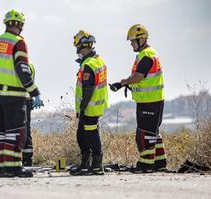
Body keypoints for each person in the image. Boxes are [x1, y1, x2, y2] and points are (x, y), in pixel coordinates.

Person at [0, 9, 41, 178]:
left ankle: (0, 168)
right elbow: (22, 69)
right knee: (15, 132)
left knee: (1, 133)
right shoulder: (18, 42)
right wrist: (34, 91)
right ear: (21, 26)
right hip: (13, 95)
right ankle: (14, 168)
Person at [110, 24, 166, 173]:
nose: (131, 44)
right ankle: (160, 163)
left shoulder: (146, 56)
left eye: (133, 41)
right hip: (155, 99)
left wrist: (122, 82)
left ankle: (145, 165)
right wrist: (123, 84)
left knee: (144, 133)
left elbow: (138, 76)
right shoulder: (150, 53)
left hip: (149, 101)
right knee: (153, 132)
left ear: (141, 39)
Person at [70, 31, 108, 176]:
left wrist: (82, 108)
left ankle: (97, 166)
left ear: (82, 47)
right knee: (82, 136)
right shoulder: (98, 60)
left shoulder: (89, 64)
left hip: (89, 108)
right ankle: (85, 165)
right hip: (94, 106)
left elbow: (88, 88)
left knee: (90, 136)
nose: (77, 51)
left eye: (77, 48)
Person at [22, 63, 43, 167]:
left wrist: (35, 94)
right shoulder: (29, 63)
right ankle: (27, 158)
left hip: (23, 100)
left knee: (23, 129)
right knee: (26, 129)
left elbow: (26, 81)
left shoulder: (23, 64)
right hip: (26, 99)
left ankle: (26, 158)